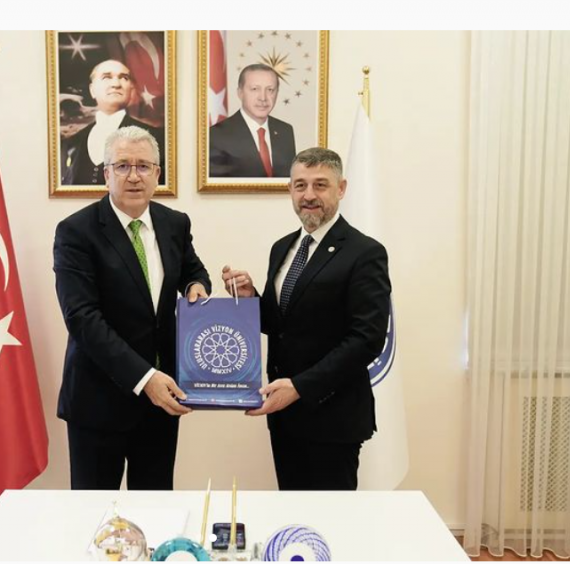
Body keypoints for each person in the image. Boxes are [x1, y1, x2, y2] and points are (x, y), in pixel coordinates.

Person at [222, 147, 391, 490]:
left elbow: (367, 339)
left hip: (333, 417)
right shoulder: (282, 248)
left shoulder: (365, 253)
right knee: (291, 511)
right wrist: (250, 297)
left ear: (341, 188)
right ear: (290, 190)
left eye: (320, 185)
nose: (309, 195)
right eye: (300, 185)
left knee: (329, 518)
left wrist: (300, 387)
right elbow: (280, 325)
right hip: (283, 414)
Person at [54, 126, 210, 490]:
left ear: (157, 173)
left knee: (156, 506)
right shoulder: (76, 232)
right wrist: (145, 378)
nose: (134, 176)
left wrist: (196, 286)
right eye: (123, 166)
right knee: (97, 514)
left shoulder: (174, 223)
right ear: (106, 173)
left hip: (161, 402)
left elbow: (192, 270)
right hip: (98, 401)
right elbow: (82, 318)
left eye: (143, 166)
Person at [61, 59, 165, 186]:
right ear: (92, 90)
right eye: (106, 77)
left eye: (124, 78)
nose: (116, 84)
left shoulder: (156, 138)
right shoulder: (74, 141)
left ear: (131, 89)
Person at [209, 63, 296, 178]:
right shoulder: (216, 135)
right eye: (255, 89)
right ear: (240, 93)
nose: (263, 98)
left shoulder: (285, 131)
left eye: (270, 90)